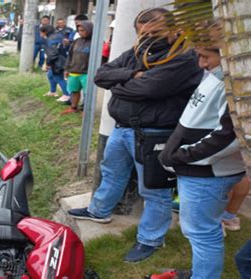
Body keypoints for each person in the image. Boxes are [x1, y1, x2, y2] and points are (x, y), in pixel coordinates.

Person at [67, 8, 203, 263]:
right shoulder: (137, 51)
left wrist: (121, 86)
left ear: (174, 30)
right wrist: (132, 75)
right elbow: (100, 75)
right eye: (143, 32)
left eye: (156, 32)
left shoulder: (185, 56)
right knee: (111, 172)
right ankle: (99, 211)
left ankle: (151, 238)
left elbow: (151, 87)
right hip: (122, 128)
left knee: (155, 189)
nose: (149, 37)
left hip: (155, 133)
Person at [158, 46, 245, 279]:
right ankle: (202, 272)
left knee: (202, 233)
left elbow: (231, 136)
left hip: (207, 173)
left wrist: (180, 156)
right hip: (202, 170)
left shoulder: (237, 83)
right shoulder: (219, 75)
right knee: (202, 231)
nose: (201, 64)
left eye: (206, 56)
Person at [61, 21, 93, 114]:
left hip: (87, 73)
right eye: (79, 30)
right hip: (74, 72)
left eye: (83, 30)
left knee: (88, 93)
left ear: (89, 30)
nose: (80, 32)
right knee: (74, 90)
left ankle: (86, 111)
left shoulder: (95, 42)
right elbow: (70, 56)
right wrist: (67, 69)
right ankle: (74, 108)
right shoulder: (76, 41)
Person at [41, 25, 70, 101]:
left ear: (45, 32)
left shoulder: (50, 39)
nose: (41, 34)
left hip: (57, 61)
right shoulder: (59, 35)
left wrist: (48, 63)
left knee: (58, 77)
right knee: (50, 75)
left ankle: (67, 95)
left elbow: (52, 53)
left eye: (41, 32)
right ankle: (53, 91)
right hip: (63, 58)